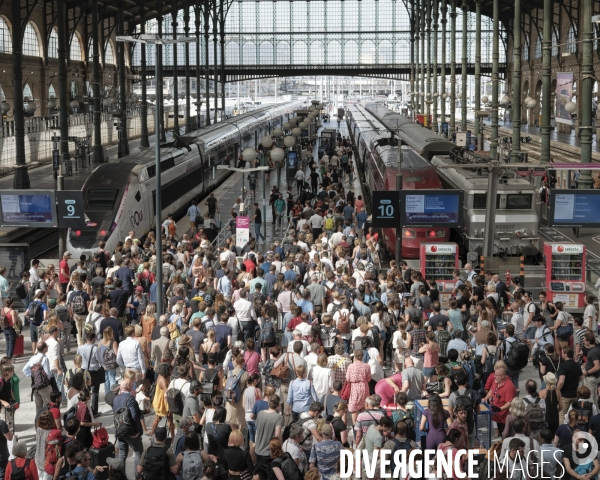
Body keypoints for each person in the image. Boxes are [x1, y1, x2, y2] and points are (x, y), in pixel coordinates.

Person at [113, 375, 145, 473]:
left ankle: (120, 476)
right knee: (138, 452)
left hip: (119, 430)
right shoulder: (130, 398)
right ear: (128, 387)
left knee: (122, 453)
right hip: (130, 431)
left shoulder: (115, 399)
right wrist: (137, 431)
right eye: (132, 385)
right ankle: (138, 476)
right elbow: (134, 416)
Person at [483, 360, 517, 435]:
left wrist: (500, 409)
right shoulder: (496, 381)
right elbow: (492, 390)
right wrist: (485, 398)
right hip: (496, 415)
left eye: (496, 375)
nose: (494, 376)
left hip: (504, 418)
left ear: (502, 376)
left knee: (504, 434)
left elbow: (510, 402)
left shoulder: (508, 386)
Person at [345, 349, 371, 424]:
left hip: (354, 388)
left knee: (354, 408)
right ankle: (363, 423)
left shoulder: (351, 366)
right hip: (364, 387)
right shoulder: (367, 366)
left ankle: (355, 425)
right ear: (362, 356)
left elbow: (348, 378)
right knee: (364, 406)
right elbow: (369, 379)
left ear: (355, 357)